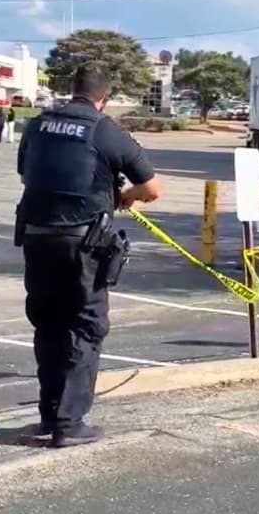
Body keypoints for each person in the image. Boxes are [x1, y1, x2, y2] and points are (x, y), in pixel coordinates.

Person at [15, 64, 163, 447]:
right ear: (105, 98)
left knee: (47, 325)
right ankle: (70, 423)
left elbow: (26, 174)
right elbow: (151, 188)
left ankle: (49, 415)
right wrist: (125, 197)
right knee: (84, 327)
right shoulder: (104, 129)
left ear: (71, 91)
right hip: (82, 244)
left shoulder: (37, 125)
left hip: (36, 237)